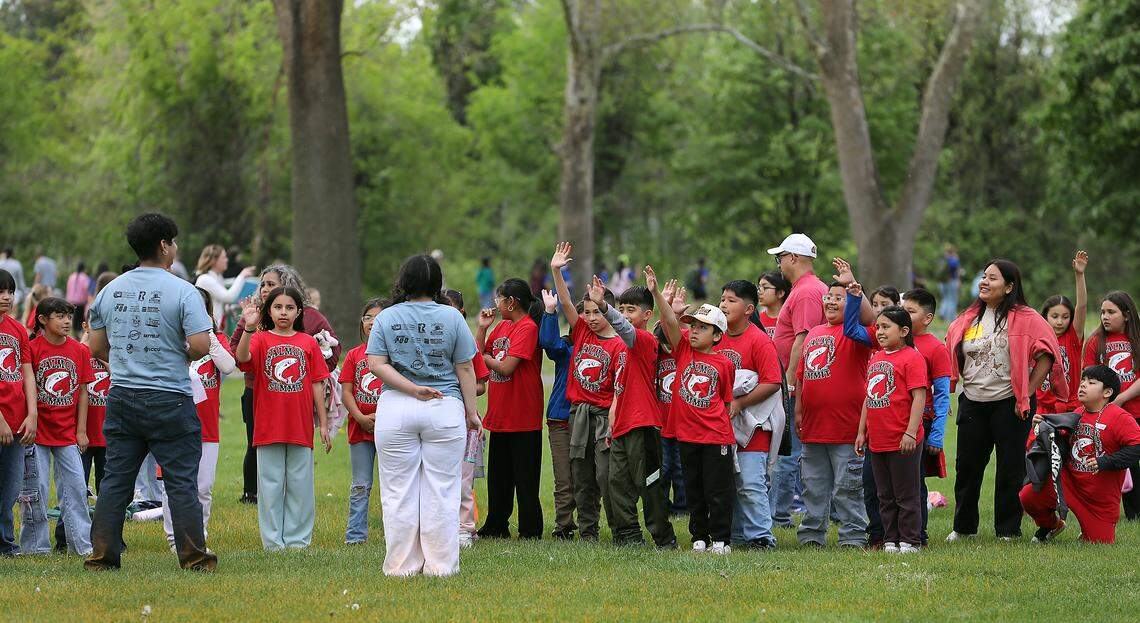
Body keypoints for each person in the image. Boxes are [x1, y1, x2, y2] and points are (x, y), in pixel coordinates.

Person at [84, 212, 217, 571]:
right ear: (163, 245)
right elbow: (201, 345)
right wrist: (176, 352)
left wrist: (129, 358)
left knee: (115, 481)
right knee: (181, 482)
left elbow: (96, 347)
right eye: (173, 242)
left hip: (122, 396)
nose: (175, 248)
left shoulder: (110, 290)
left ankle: (102, 556)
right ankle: (193, 557)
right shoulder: (184, 291)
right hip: (170, 398)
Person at [366, 254, 480, 577]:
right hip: (444, 407)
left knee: (398, 490)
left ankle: (401, 566)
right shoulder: (452, 317)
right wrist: (472, 413)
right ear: (437, 283)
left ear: (404, 281)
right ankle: (440, 566)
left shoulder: (386, 318)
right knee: (442, 489)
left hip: (396, 408)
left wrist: (412, 388)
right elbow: (466, 367)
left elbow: (376, 363)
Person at [944, 259, 1067, 542]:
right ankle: (964, 529)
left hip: (1009, 403)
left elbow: (1047, 355)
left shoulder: (1027, 317)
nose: (984, 282)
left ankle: (1008, 530)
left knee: (1010, 468)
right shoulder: (968, 316)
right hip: (973, 400)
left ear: (1009, 286)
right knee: (967, 467)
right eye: (984, 277)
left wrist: (1026, 392)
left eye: (993, 278)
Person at [230, 265, 340, 505]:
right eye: (264, 285)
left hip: (295, 398)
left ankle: (294, 516)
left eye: (272, 284)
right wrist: (249, 326)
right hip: (258, 392)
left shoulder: (309, 320)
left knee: (296, 455)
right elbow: (239, 353)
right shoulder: (255, 320)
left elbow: (331, 353)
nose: (266, 289)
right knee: (258, 446)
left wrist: (314, 359)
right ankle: (253, 493)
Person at [648, 268, 735, 554]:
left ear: (717, 336)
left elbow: (725, 401)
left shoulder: (724, 364)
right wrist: (656, 294)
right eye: (693, 326)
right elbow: (669, 321)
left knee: (717, 490)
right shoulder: (683, 348)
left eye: (702, 328)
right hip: (687, 435)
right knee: (694, 489)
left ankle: (721, 539)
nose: (694, 331)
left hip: (715, 437)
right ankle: (700, 536)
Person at [236, 287, 331, 551]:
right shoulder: (260, 339)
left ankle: (298, 541)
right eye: (278, 307)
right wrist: (248, 328)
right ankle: (273, 543)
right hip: (268, 426)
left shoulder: (308, 342)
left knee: (301, 488)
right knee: (270, 486)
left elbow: (316, 384)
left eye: (289, 308)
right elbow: (242, 358)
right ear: (269, 311)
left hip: (300, 426)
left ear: (299, 311)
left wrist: (322, 423)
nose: (284, 313)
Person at [549, 242, 625, 541]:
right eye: (588, 312)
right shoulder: (580, 331)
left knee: (605, 476)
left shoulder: (618, 345)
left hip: (604, 416)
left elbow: (619, 388)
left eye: (597, 312)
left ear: (609, 311)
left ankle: (621, 528)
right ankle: (587, 531)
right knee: (580, 475)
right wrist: (557, 271)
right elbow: (567, 304)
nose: (591, 318)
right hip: (577, 414)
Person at [1019, 365, 1140, 544]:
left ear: (1107, 392)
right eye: (1082, 380)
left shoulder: (1120, 417)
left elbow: (1136, 447)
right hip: (1069, 484)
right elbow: (1056, 441)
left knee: (1100, 543)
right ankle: (1051, 525)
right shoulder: (1076, 413)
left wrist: (1105, 462)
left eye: (1091, 382)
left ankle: (1089, 532)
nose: (1083, 385)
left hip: (1099, 500)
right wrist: (1042, 426)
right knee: (1028, 496)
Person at [597, 278, 677, 549]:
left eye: (630, 309)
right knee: (616, 484)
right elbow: (620, 390)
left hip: (643, 424)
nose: (624, 314)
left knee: (650, 484)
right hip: (621, 426)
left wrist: (604, 307)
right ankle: (629, 536)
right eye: (621, 308)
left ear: (646, 315)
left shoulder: (642, 340)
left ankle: (663, 538)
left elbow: (624, 327)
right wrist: (612, 425)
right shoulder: (623, 347)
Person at [794, 281, 874, 548]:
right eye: (828, 296)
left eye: (838, 298)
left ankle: (853, 535)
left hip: (846, 428)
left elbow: (871, 318)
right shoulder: (814, 332)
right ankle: (812, 535)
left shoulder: (856, 334)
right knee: (812, 485)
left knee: (847, 487)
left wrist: (856, 293)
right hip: (814, 427)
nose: (830, 301)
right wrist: (798, 411)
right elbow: (802, 376)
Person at [160, 288, 234, 551]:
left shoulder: (217, 340)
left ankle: (198, 536)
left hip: (207, 427)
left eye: (201, 308)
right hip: (174, 423)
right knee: (174, 484)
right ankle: (174, 538)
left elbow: (227, 366)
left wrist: (209, 335)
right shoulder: (171, 338)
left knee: (203, 487)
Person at [23, 297, 94, 556]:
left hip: (67, 434)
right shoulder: (32, 348)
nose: (67, 321)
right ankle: (36, 547)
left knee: (76, 488)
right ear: (43, 320)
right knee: (36, 490)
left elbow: (84, 392)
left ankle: (82, 546)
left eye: (69, 316)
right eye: (60, 316)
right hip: (38, 433)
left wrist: (81, 430)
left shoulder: (80, 351)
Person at [855, 305, 928, 554]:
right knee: (884, 494)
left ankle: (910, 540)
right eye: (878, 327)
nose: (880, 332)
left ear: (904, 330)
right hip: (877, 439)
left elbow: (919, 397)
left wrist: (910, 432)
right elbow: (868, 397)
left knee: (905, 493)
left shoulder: (912, 357)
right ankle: (890, 539)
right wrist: (861, 431)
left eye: (886, 327)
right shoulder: (876, 358)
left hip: (902, 438)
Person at [476, 279, 545, 540]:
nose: (496, 303)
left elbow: (506, 367)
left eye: (499, 299)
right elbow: (477, 352)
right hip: (500, 413)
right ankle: (496, 525)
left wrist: (485, 358)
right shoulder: (502, 326)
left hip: (523, 414)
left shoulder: (527, 328)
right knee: (499, 477)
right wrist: (483, 329)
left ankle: (530, 529)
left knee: (525, 478)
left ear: (511, 302)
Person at [716, 280, 782, 550]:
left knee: (751, 482)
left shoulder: (759, 339)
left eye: (731, 300)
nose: (723, 304)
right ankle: (737, 534)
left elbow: (772, 381)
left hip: (753, 425)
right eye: (722, 299)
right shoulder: (715, 336)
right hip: (721, 425)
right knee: (727, 483)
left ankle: (761, 537)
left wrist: (740, 403)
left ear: (748, 308)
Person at [768, 233, 827, 527]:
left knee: (787, 452)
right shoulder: (805, 289)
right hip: (795, 383)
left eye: (780, 257)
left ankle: (778, 516)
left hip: (795, 385)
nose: (778, 264)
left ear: (792, 258)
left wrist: (790, 383)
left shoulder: (806, 292)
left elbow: (803, 339)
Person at [900, 288, 952, 546]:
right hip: (894, 420)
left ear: (928, 317)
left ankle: (918, 534)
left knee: (914, 481)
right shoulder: (897, 342)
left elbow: (943, 395)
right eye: (903, 310)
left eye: (911, 311)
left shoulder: (935, 348)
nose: (905, 316)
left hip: (923, 421)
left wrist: (938, 433)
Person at [1082, 289, 1140, 520]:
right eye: (1102, 312)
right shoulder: (1096, 342)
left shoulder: (1137, 340)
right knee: (1121, 462)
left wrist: (1122, 398)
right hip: (1108, 414)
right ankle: (1125, 512)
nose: (1105, 317)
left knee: (1134, 458)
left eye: (1111, 312)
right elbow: (1087, 377)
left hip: (1134, 410)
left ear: (1126, 315)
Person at [442, 290, 491, 547]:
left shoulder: (466, 344)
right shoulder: (431, 342)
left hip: (466, 422)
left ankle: (464, 528)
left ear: (460, 313)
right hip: (437, 420)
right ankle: (440, 526)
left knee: (464, 477)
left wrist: (460, 389)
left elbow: (481, 384)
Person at [339, 298, 388, 545]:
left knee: (393, 485)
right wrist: (359, 417)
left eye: (378, 317)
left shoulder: (394, 355)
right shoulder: (354, 355)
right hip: (360, 428)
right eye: (368, 317)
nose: (372, 322)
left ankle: (396, 534)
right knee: (360, 484)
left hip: (391, 427)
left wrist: (383, 417)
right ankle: (355, 536)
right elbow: (346, 391)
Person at [0, 269, 38, 557]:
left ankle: (6, 543)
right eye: (1, 292)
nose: (7, 297)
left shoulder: (17, 330)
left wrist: (32, 414)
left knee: (10, 488)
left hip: (17, 423)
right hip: (2, 421)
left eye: (10, 292)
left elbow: (27, 374)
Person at [537, 289, 578, 539]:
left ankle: (588, 525)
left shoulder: (610, 347)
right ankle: (563, 526)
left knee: (588, 477)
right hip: (560, 419)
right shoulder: (566, 348)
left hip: (591, 417)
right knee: (564, 478)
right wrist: (550, 312)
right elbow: (548, 344)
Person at [1037, 251, 1088, 415]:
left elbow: (1081, 306)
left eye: (1065, 317)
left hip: (1070, 409)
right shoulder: (1036, 340)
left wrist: (1079, 275)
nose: (1060, 322)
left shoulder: (1072, 337)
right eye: (1054, 316)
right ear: (1045, 316)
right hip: (1040, 409)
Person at [195, 244, 255, 330]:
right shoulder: (205, 279)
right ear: (214, 260)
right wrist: (242, 275)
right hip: (207, 330)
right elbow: (228, 297)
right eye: (224, 257)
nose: (226, 260)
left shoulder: (216, 278)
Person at [757, 270, 790, 340]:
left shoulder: (791, 320)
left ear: (780, 293)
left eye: (765, 288)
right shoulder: (757, 320)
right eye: (759, 287)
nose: (759, 292)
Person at [0, 248, 28, 317]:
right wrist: (23, 291)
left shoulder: (1, 262)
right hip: (14, 291)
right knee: (13, 315)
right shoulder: (17, 264)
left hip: (7, 291)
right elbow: (20, 280)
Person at [65, 263, 92, 333]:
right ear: (84, 269)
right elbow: (87, 289)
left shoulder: (71, 276)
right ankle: (79, 333)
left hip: (71, 301)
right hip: (81, 302)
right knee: (80, 319)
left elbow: (68, 288)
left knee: (74, 318)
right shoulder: (85, 277)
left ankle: (74, 332)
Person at [939, 244, 962, 321]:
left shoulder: (943, 260)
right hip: (952, 281)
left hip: (943, 282)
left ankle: (942, 313)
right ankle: (950, 317)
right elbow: (957, 271)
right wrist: (959, 281)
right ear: (953, 252)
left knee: (945, 298)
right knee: (952, 299)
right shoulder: (954, 260)